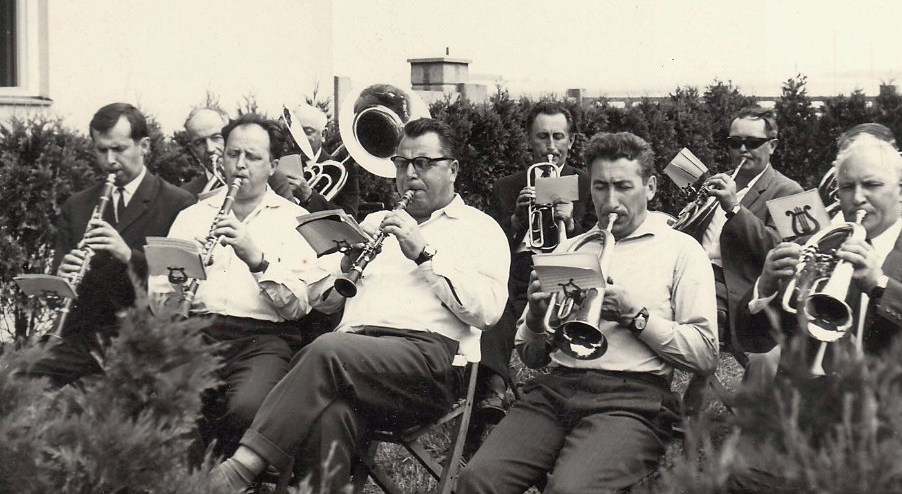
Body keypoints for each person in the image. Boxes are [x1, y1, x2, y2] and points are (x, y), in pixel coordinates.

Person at [211, 118, 509, 491]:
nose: (410, 175)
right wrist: (346, 262)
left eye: (423, 163)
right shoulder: (374, 222)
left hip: (430, 364)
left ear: (453, 169)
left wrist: (424, 256)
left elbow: (488, 312)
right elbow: (320, 302)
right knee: (330, 416)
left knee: (327, 350)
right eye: (402, 164)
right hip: (355, 363)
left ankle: (242, 468)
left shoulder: (480, 228)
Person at [458, 132, 718, 493]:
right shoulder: (570, 248)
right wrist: (535, 317)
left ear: (651, 187)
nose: (610, 202)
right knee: (477, 480)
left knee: (570, 490)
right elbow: (532, 357)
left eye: (623, 187)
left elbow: (705, 354)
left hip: (633, 400)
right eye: (600, 187)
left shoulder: (681, 250)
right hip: (557, 390)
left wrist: (636, 317)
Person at [735, 135, 902, 485]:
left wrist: (880, 284)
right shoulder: (812, 248)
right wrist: (766, 288)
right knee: (744, 481)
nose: (858, 198)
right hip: (809, 414)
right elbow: (753, 340)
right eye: (847, 187)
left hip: (900, 423)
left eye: (871, 185)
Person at [150, 114, 316, 456]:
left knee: (246, 409)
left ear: (272, 166)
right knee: (169, 403)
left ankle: (224, 476)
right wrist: (183, 276)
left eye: (252, 157)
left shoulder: (293, 220)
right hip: (198, 333)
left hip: (263, 339)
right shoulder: (192, 216)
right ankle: (193, 478)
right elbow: (160, 301)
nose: (240, 165)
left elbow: (298, 306)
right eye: (232, 154)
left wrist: (256, 260)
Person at [27, 102, 195, 387]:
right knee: (18, 380)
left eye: (118, 149)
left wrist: (128, 256)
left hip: (146, 336)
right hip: (83, 335)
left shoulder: (178, 203)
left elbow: (180, 287)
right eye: (101, 150)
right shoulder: (77, 206)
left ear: (144, 146)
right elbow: (58, 286)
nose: (110, 161)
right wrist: (61, 279)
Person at [481, 102, 597, 421]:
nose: (551, 146)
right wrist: (516, 220)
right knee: (494, 304)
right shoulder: (506, 186)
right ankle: (493, 388)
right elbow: (489, 244)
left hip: (566, 273)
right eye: (542, 136)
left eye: (558, 136)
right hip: (518, 274)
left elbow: (598, 243)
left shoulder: (587, 184)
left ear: (571, 141)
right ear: (529, 141)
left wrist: (571, 224)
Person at [682, 106, 802, 408]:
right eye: (735, 143)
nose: (742, 150)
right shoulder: (722, 181)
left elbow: (780, 250)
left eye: (752, 142)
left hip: (740, 287)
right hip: (695, 273)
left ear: (772, 145)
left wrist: (734, 207)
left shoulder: (790, 190)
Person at [181, 107, 291, 198]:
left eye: (216, 137)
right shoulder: (187, 194)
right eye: (199, 143)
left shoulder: (273, 179)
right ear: (193, 150)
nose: (210, 149)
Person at [285, 103, 361, 217]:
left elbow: (349, 217)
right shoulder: (279, 163)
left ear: (323, 134)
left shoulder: (342, 171)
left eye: (307, 131)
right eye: (294, 131)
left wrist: (309, 196)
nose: (298, 138)